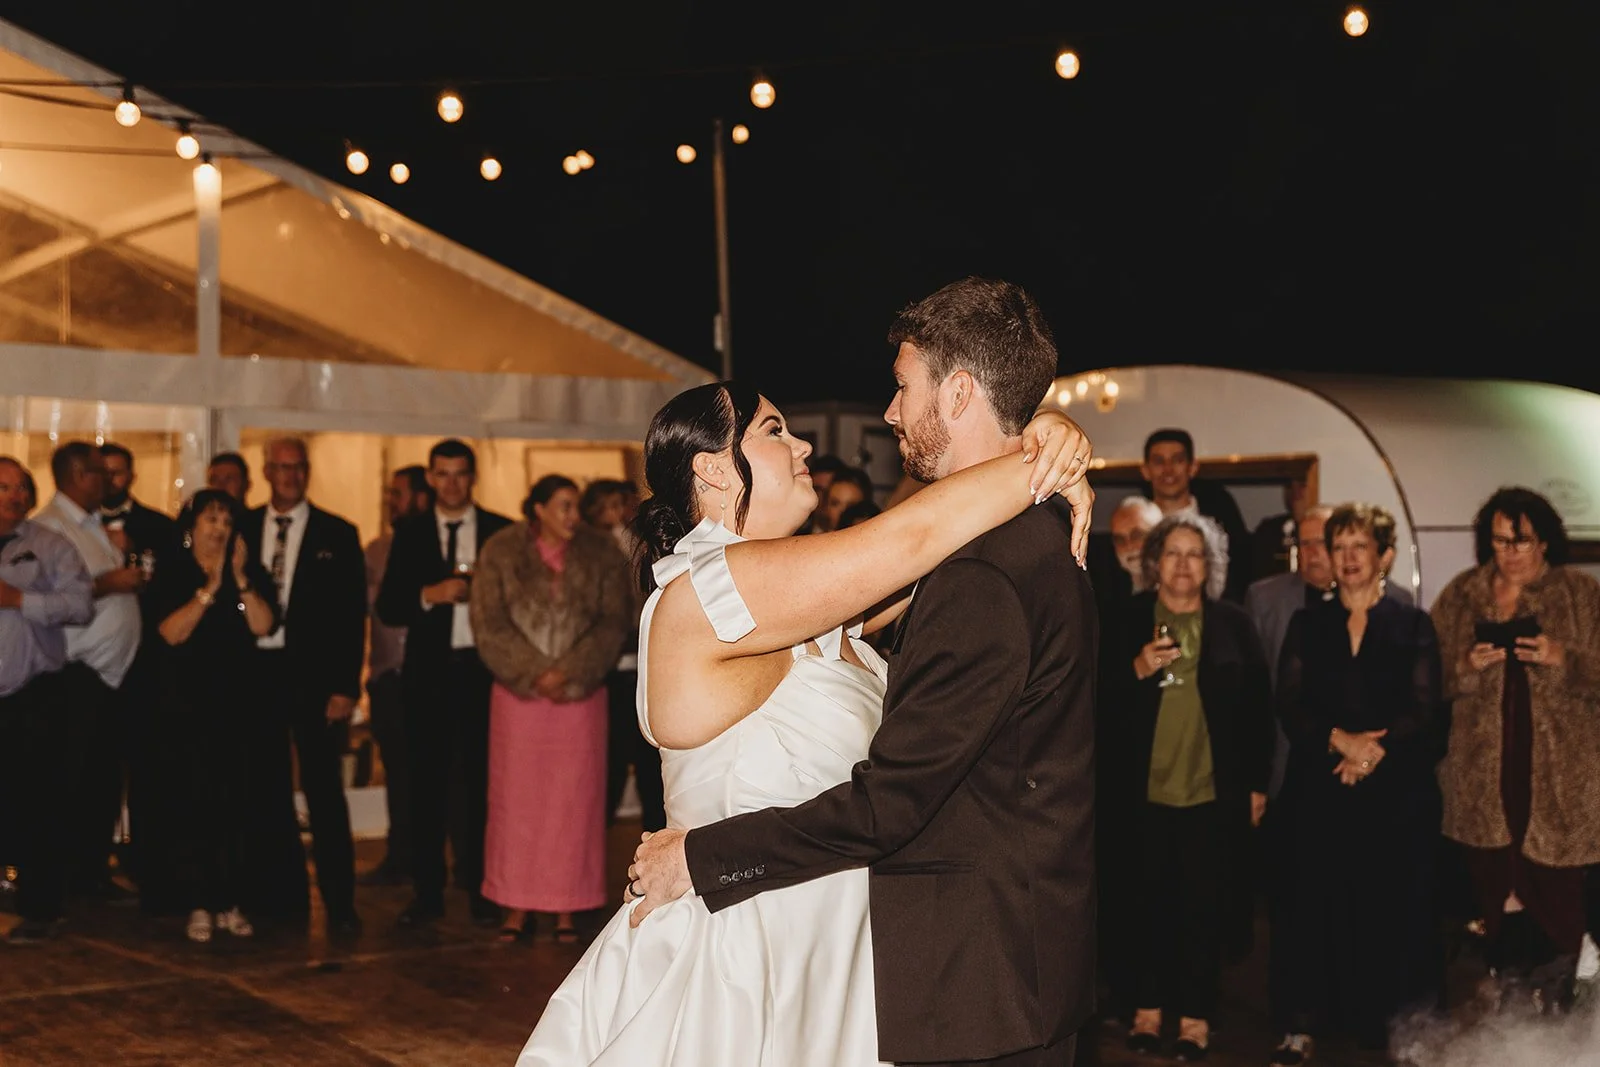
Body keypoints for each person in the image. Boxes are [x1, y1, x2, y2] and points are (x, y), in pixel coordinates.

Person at [570, 277, 1098, 1067]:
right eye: (775, 431)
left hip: (850, 954)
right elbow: (910, 540)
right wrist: (1042, 453)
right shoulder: (711, 589)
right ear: (713, 472)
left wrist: (1042, 438)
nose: (807, 444)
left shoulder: (820, 605)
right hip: (749, 952)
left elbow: (918, 558)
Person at [1271, 504, 1445, 1062]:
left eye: (1358, 547)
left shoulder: (1413, 624)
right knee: (1310, 909)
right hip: (1318, 793)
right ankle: (1302, 1025)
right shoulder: (1307, 622)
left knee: (1392, 913)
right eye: (1336, 546)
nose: (1344, 559)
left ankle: (1394, 1029)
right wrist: (1339, 741)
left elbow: (1426, 711)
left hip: (1395, 798)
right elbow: (1290, 705)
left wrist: (1373, 752)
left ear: (1384, 556)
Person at [1099, 513, 1272, 1060]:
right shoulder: (1127, 619)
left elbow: (1258, 711)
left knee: (1203, 908)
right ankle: (1146, 1011)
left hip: (1210, 795)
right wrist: (1134, 669)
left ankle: (1196, 1017)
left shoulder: (1234, 624)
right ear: (1153, 564)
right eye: (1171, 553)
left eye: (1193, 554)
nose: (1181, 564)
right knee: (1144, 904)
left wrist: (1257, 785)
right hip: (1140, 795)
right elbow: (1092, 701)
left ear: (1210, 565)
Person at [1431, 487, 1600, 1011]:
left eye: (1520, 541)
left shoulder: (1580, 593)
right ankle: (1514, 1001)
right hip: (1482, 778)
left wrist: (1562, 657)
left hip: (1562, 778)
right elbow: (1425, 676)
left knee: (1561, 890)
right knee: (1495, 887)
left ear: (1545, 541)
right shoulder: (1462, 594)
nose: (1508, 552)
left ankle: (1569, 998)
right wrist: (1465, 666)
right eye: (1498, 541)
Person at [473, 475, 632, 943]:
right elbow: (488, 618)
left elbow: (613, 619)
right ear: (537, 508)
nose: (572, 516)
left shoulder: (601, 552)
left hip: (580, 698)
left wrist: (574, 670)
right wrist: (531, 671)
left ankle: (569, 907)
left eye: (574, 507)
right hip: (517, 698)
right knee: (515, 802)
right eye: (562, 507)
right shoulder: (500, 550)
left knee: (574, 802)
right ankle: (515, 904)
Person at [375, 439, 514, 929]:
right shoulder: (410, 533)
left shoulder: (500, 531)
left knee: (480, 785)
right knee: (425, 786)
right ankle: (427, 890)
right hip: (427, 677)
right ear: (430, 478)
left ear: (472, 477)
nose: (451, 483)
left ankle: (480, 887)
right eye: (442, 474)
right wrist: (428, 595)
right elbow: (388, 606)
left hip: (483, 672)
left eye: (460, 474)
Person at [240, 438, 367, 933]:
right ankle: (279, 897)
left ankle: (340, 905)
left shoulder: (338, 531)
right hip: (258, 677)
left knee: (323, 792)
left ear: (306, 471)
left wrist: (345, 686)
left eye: (298, 467)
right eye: (281, 467)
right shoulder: (246, 527)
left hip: (316, 681)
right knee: (264, 788)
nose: (290, 475)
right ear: (267, 471)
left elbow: (352, 614)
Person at [146, 490, 279, 942]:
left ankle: (231, 900)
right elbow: (170, 632)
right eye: (211, 520)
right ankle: (200, 901)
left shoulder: (249, 573)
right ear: (191, 527)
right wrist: (210, 589)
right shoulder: (175, 571)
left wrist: (238, 579)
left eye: (227, 520)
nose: (219, 529)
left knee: (236, 802)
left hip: (239, 705)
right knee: (194, 803)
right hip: (186, 707)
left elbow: (263, 625)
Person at [0, 456, 94, 944]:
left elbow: (80, 604)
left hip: (31, 699)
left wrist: (19, 601)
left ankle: (41, 909)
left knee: (36, 805)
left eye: (21, 487)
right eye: (3, 487)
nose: (15, 495)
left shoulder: (50, 547)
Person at [360, 465, 433, 887]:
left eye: (399, 494)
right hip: (389, 674)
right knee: (396, 771)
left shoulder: (436, 544)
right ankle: (399, 852)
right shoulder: (375, 551)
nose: (392, 502)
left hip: (427, 676)